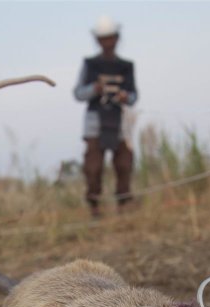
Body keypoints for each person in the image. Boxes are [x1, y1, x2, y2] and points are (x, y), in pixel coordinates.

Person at [73, 15, 137, 217]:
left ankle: (123, 205)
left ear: (117, 38)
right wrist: (95, 89)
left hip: (120, 121)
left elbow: (134, 96)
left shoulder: (126, 66)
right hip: (95, 122)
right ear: (98, 40)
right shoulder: (90, 64)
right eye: (104, 38)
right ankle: (95, 207)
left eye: (111, 37)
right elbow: (78, 93)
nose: (108, 42)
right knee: (93, 166)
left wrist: (125, 96)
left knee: (124, 163)